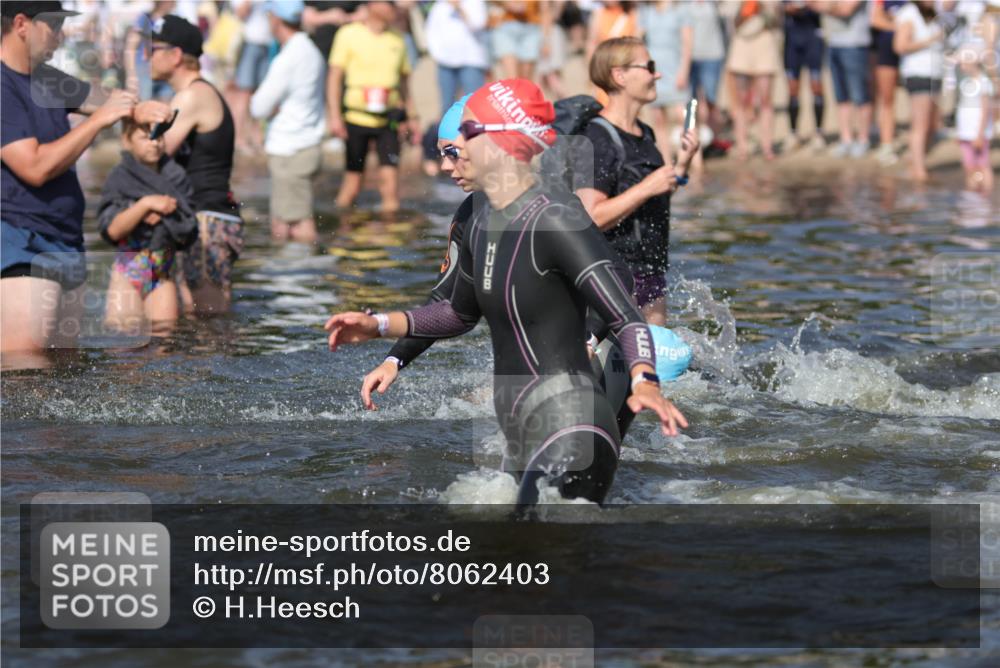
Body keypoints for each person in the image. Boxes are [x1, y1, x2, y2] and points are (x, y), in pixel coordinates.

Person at [326, 79, 688, 507]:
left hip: (574, 426)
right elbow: (457, 313)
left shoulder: (555, 216)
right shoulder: (480, 220)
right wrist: (379, 326)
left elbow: (625, 312)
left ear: (500, 142)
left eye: (464, 136)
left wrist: (644, 380)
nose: (449, 157)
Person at [2, 1, 138, 366]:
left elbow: (107, 101)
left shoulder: (46, 78)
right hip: (19, 241)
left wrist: (142, 107)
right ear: (21, 24)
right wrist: (98, 123)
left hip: (65, 241)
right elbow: (33, 167)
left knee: (65, 374)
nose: (61, 37)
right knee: (25, 375)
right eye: (55, 26)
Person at [574, 37, 699, 327]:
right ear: (619, 75)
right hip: (611, 277)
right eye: (649, 66)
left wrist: (682, 164)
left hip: (650, 272)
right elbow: (591, 216)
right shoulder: (596, 138)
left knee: (656, 369)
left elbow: (656, 193)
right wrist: (647, 186)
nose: (657, 74)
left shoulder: (645, 133)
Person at [135, 14, 244, 314]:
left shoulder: (193, 95)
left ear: (176, 55)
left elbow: (153, 152)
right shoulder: (191, 93)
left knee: (210, 322)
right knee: (198, 322)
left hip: (207, 220)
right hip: (204, 216)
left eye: (153, 49)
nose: (146, 57)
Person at [98, 117, 196, 334]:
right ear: (127, 140)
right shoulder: (119, 178)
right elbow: (112, 230)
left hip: (162, 272)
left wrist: (166, 215)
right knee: (123, 342)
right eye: (145, 137)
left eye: (159, 137)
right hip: (128, 270)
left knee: (164, 338)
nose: (154, 143)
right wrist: (145, 206)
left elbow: (189, 226)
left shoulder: (176, 176)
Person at [326, 1, 420, 212]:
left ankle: (390, 239)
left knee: (391, 187)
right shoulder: (348, 34)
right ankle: (342, 233)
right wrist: (334, 116)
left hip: (389, 119)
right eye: (389, 4)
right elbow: (334, 77)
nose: (394, 9)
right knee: (352, 183)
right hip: (356, 118)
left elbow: (404, 83)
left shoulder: (398, 38)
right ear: (372, 4)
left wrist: (412, 117)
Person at [250, 1, 327, 244]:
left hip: (289, 149)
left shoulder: (289, 57)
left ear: (275, 18)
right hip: (306, 144)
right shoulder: (310, 50)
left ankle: (294, 279)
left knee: (291, 224)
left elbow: (258, 106)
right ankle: (301, 275)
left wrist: (273, 108)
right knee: (293, 218)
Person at [815, 0, 873, 158]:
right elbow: (815, 4)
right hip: (833, 44)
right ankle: (846, 139)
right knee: (841, 96)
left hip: (855, 45)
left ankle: (863, 139)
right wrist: (831, 6)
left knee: (860, 96)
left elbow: (846, 9)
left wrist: (828, 6)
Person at [894, 0, 944, 181]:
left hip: (934, 73)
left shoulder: (933, 12)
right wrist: (930, 41)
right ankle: (918, 170)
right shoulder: (909, 13)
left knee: (932, 123)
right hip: (918, 74)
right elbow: (900, 46)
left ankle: (914, 161)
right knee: (920, 123)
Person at [638, 0, 693, 162]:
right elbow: (638, 39)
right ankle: (667, 162)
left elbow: (687, 44)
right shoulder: (645, 11)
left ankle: (693, 161)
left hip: (675, 66)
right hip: (654, 69)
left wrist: (684, 70)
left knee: (684, 117)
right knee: (658, 119)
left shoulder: (680, 9)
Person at [726, 0, 782, 160]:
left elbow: (776, 21)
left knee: (766, 100)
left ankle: (767, 146)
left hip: (764, 44)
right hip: (742, 45)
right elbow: (734, 23)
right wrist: (745, 9)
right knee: (741, 101)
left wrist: (763, 8)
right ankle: (742, 147)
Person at [425, 0, 488, 118]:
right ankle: (450, 136)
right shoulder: (440, 5)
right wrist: (437, 54)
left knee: (475, 105)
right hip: (445, 63)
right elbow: (431, 31)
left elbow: (478, 24)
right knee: (447, 106)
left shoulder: (476, 3)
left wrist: (459, 8)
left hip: (471, 61)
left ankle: (475, 135)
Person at [783, 1, 826, 152]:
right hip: (792, 41)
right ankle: (793, 133)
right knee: (792, 88)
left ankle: (819, 133)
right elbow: (780, 8)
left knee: (816, 85)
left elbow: (824, 6)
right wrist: (788, 8)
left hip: (813, 39)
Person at [870, 0, 908, 164]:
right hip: (887, 49)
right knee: (887, 99)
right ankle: (887, 143)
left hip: (913, 51)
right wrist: (901, 29)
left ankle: (925, 138)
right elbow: (875, 20)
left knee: (922, 96)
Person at [955, 45, 995, 192]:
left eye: (965, 62)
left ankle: (985, 193)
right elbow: (962, 109)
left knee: (983, 165)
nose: (962, 65)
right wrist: (959, 131)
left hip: (978, 133)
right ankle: (972, 194)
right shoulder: (966, 82)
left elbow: (985, 110)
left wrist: (980, 133)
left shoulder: (983, 82)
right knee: (969, 165)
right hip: (966, 132)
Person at [686, 0, 726, 140]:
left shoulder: (714, 3)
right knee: (691, 101)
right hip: (690, 57)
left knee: (711, 99)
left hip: (713, 55)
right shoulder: (684, 4)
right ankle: (691, 136)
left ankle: (714, 139)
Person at [124, 0, 174, 100]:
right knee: (144, 103)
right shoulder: (145, 19)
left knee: (166, 104)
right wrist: (131, 74)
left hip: (165, 70)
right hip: (144, 68)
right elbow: (131, 47)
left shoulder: (173, 21)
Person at [491, 1, 548, 80]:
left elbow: (545, 11)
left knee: (526, 79)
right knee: (512, 78)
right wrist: (507, 3)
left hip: (531, 29)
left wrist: (545, 41)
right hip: (506, 27)